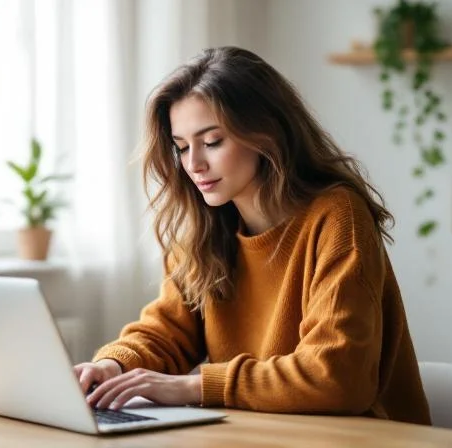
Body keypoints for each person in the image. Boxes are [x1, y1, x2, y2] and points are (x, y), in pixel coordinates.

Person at [74, 46, 431, 425]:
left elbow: (337, 377)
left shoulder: (336, 217)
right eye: (181, 148)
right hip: (260, 432)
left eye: (212, 142)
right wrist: (114, 365)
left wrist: (194, 386)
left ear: (265, 134)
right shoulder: (204, 229)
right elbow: (167, 331)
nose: (193, 164)